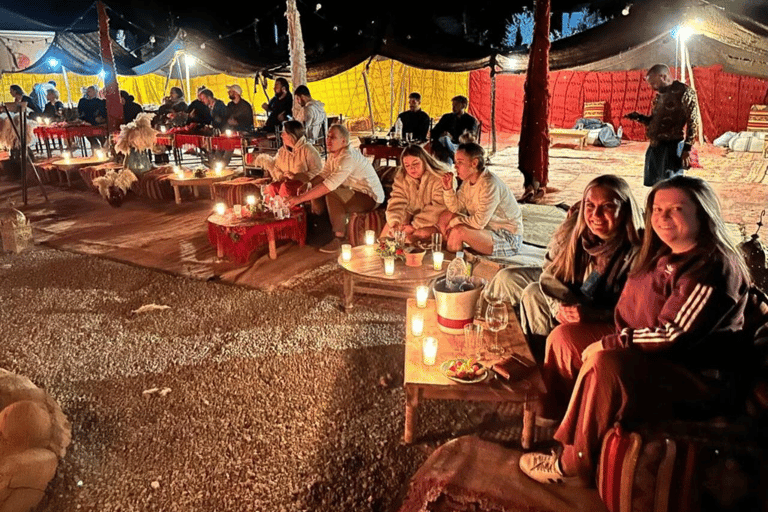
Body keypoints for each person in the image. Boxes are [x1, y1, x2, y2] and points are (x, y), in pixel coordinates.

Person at [520, 175, 751, 487]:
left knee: (606, 364)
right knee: (564, 337)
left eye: (676, 209)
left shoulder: (711, 266)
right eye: (657, 209)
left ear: (703, 214)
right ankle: (562, 425)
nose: (663, 217)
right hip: (647, 351)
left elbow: (673, 334)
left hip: (693, 374)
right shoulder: (662, 250)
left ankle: (574, 461)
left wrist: (610, 343)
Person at [484, 175, 643, 362]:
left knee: (534, 294)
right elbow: (550, 273)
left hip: (598, 306)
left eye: (607, 206)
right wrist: (558, 305)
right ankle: (486, 337)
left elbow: (633, 311)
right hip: (569, 288)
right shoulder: (575, 229)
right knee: (507, 278)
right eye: (590, 206)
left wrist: (590, 314)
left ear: (624, 209)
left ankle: (541, 362)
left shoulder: (636, 251)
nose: (596, 215)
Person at [286, 124, 385, 253]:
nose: (328, 140)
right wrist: (309, 184)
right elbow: (324, 174)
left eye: (333, 137)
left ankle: (339, 237)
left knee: (331, 194)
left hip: (370, 197)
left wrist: (299, 199)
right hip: (352, 191)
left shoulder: (348, 157)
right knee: (318, 189)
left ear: (343, 141)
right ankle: (319, 226)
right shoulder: (334, 155)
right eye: (327, 136)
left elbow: (329, 185)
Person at [436, 143, 522, 259]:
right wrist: (448, 190)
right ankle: (453, 248)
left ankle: (452, 265)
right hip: (486, 231)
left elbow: (478, 222)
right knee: (445, 216)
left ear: (474, 163)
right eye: (455, 162)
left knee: (458, 231)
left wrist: (455, 221)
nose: (455, 166)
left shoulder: (489, 184)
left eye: (460, 162)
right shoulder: (468, 181)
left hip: (506, 238)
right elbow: (456, 208)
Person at [625, 63, 701, 187]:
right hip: (655, 147)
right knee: (656, 187)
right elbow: (655, 121)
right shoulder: (660, 95)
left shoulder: (685, 92)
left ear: (663, 77)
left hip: (671, 147)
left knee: (671, 187)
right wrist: (639, 117)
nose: (652, 88)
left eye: (654, 84)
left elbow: (693, 122)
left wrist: (687, 149)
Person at [381, 144, 453, 243]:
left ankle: (410, 255)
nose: (412, 168)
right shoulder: (402, 178)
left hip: (433, 221)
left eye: (416, 164)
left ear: (424, 162)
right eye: (407, 166)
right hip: (411, 218)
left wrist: (414, 226)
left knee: (415, 236)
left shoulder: (440, 178)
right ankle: (382, 254)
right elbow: (396, 201)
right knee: (388, 231)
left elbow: (438, 207)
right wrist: (396, 223)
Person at [262, 120, 323, 196]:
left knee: (286, 188)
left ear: (291, 135)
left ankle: (289, 207)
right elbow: (276, 168)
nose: (281, 135)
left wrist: (297, 176)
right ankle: (273, 206)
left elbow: (318, 171)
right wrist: (281, 176)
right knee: (272, 187)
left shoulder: (308, 150)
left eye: (284, 133)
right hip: (285, 182)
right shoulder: (282, 151)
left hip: (302, 185)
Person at [430, 95, 477, 164]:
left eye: (456, 105)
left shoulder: (470, 120)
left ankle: (451, 158)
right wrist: (442, 134)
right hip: (444, 144)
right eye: (453, 105)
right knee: (445, 139)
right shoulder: (446, 117)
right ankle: (454, 154)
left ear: (464, 106)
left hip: (459, 145)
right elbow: (433, 132)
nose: (453, 108)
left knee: (446, 154)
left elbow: (471, 138)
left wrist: (453, 138)